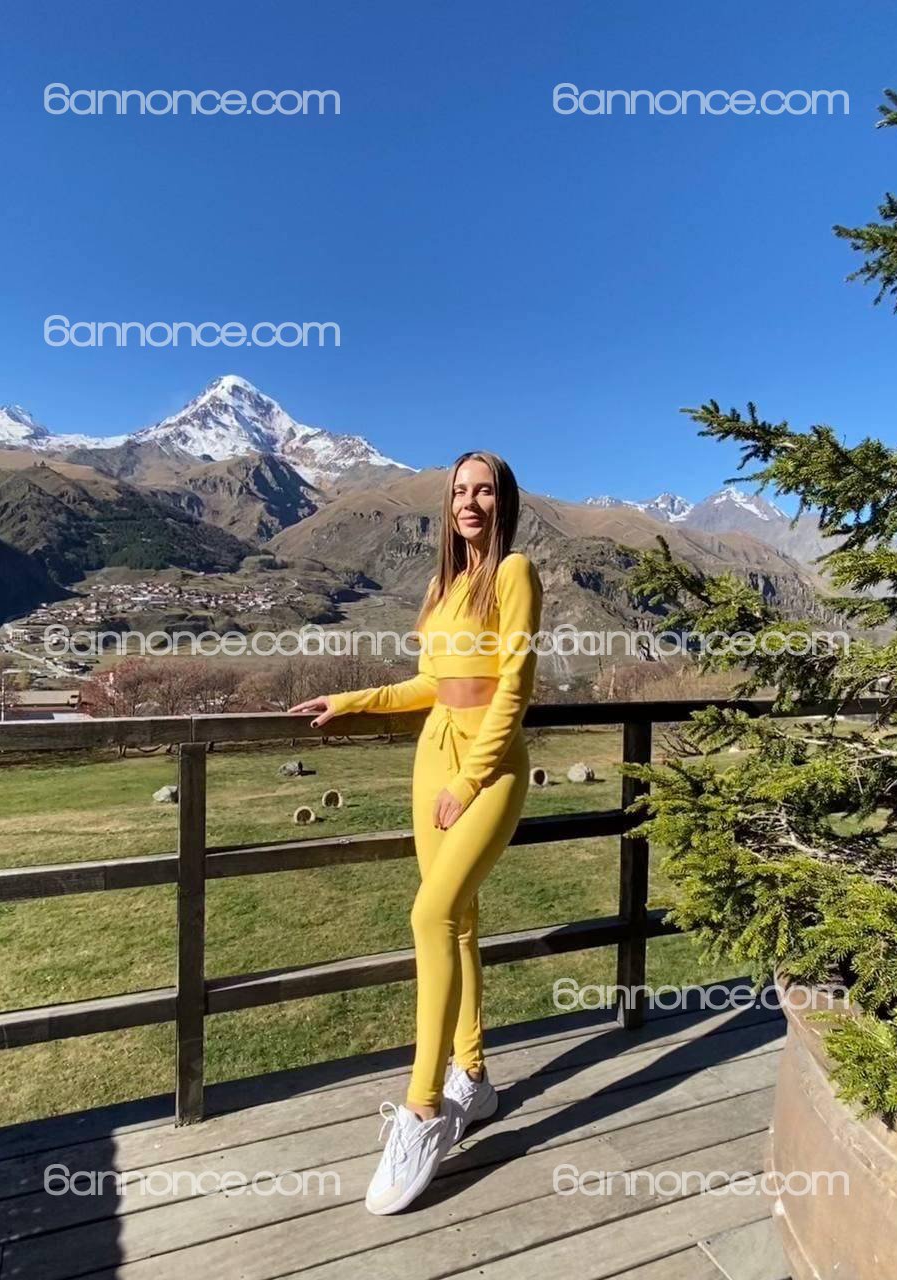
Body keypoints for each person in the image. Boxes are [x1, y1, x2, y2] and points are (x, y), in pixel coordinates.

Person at [288, 449, 543, 1215]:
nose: (470, 502)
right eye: (460, 490)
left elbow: (513, 686)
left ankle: (424, 1108)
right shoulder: (442, 586)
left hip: (487, 764)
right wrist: (352, 700)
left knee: (429, 915)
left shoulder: (514, 573)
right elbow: (432, 683)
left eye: (484, 491)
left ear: (503, 503)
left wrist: (469, 781)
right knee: (456, 921)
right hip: (432, 754)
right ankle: (475, 1077)